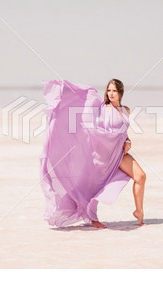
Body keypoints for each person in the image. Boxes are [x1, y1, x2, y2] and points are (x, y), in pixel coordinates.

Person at [39, 78, 146, 229]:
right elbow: (92, 128)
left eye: (114, 91)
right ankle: (91, 217)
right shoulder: (103, 109)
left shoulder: (125, 110)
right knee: (90, 188)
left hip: (120, 155)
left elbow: (123, 132)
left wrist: (128, 141)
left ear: (121, 92)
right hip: (104, 157)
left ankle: (139, 212)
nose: (111, 93)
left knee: (141, 177)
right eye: (109, 90)